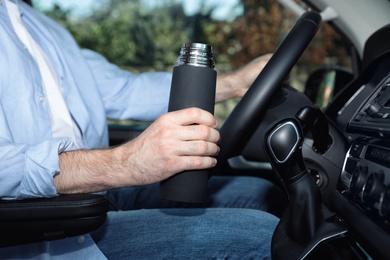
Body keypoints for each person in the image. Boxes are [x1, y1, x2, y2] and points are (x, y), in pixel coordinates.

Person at [0, 0, 286, 259]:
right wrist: (125, 163)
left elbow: (125, 91)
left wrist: (235, 82)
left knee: (257, 192)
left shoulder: (40, 25)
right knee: (261, 236)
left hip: (99, 195)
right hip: (43, 230)